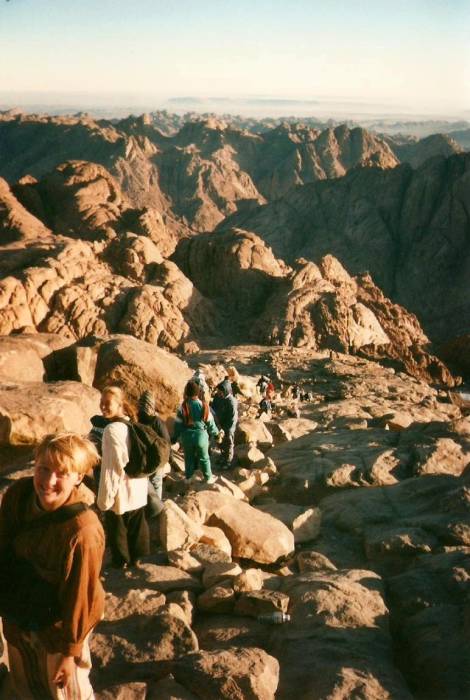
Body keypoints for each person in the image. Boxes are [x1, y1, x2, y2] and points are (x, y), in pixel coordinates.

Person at [0, 432, 105, 699]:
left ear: (78, 477)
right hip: (19, 615)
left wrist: (70, 654)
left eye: (62, 473)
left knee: (67, 693)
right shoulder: (18, 496)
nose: (49, 481)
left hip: (59, 630)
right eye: (43, 469)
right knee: (25, 684)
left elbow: (81, 596)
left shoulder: (83, 531)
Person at [97, 386, 149, 569]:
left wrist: (103, 499)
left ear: (119, 405)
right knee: (137, 525)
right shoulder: (132, 424)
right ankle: (141, 562)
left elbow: (111, 468)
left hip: (121, 490)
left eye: (107, 403)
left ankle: (121, 565)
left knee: (117, 527)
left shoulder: (111, 430)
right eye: (101, 403)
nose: (103, 407)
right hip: (139, 486)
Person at [173, 380, 219, 483]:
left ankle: (189, 478)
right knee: (204, 458)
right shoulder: (204, 406)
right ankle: (208, 478)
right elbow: (210, 423)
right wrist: (216, 434)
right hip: (201, 436)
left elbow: (177, 425)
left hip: (187, 437)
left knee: (188, 458)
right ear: (197, 392)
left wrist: (174, 437)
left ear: (186, 392)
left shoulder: (182, 407)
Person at [137, 390, 171, 502]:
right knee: (156, 483)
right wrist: (168, 459)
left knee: (143, 483)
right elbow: (166, 441)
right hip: (157, 458)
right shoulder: (156, 421)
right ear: (152, 405)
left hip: (142, 458)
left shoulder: (136, 419)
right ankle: (157, 506)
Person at [211, 379, 238, 470]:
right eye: (219, 391)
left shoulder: (231, 402)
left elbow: (233, 418)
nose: (219, 393)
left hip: (228, 427)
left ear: (226, 391)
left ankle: (228, 461)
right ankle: (223, 457)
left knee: (229, 444)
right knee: (220, 443)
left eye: (221, 391)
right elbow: (214, 408)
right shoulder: (218, 397)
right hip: (219, 425)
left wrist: (228, 430)